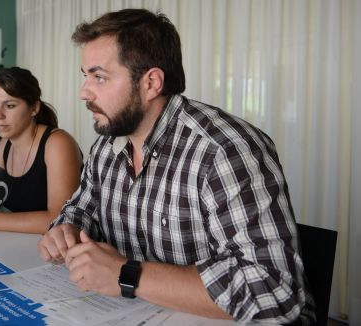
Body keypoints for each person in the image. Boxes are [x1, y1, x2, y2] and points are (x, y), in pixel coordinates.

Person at [37, 8, 315, 324]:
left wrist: (127, 274)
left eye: (99, 77)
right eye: (85, 76)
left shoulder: (224, 150)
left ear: (151, 82)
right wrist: (67, 230)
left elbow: (274, 291)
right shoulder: (106, 147)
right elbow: (79, 210)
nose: (83, 92)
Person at [0, 67, 83, 234]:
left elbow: (60, 219)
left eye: (9, 105)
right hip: (19, 245)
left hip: (56, 253)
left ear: (34, 108)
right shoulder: (4, 144)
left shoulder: (58, 144)